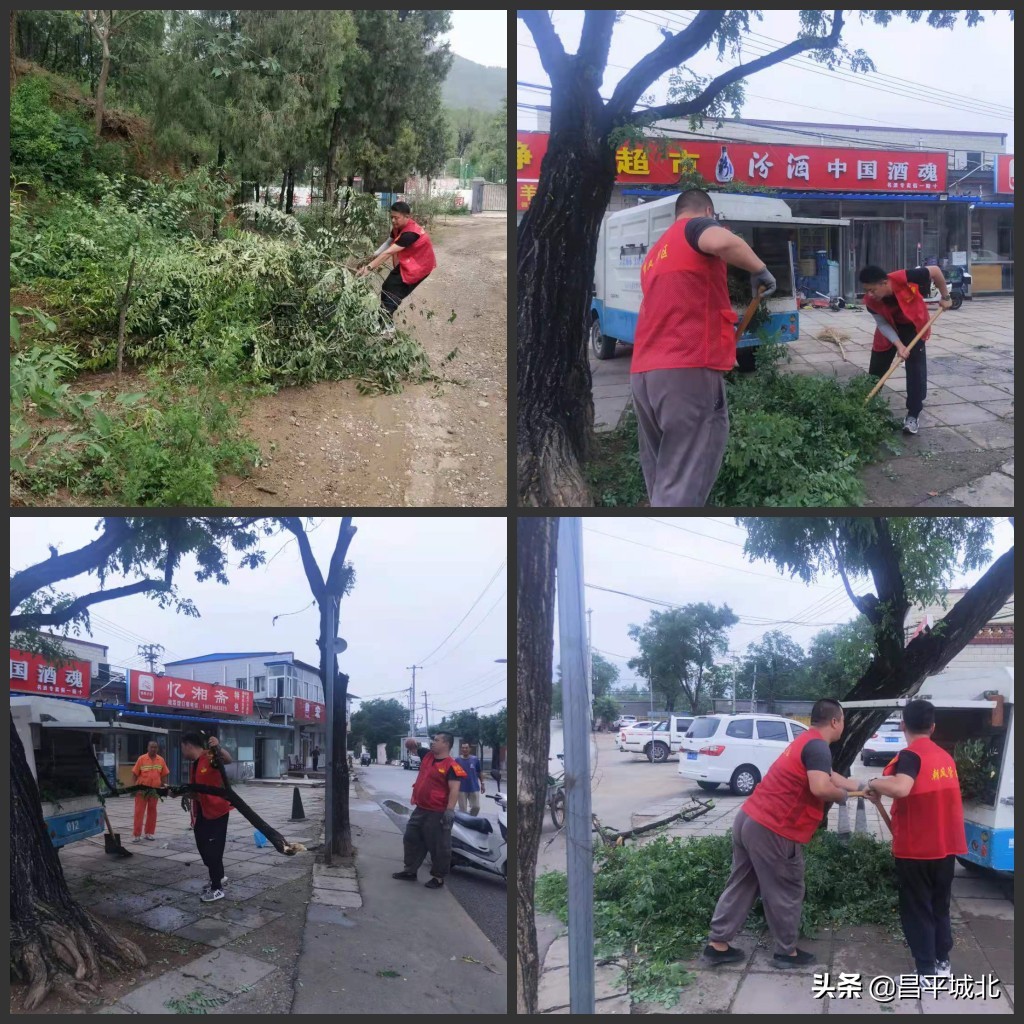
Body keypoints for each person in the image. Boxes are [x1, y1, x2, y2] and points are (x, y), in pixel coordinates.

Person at [629, 188, 777, 507]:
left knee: (664, 475)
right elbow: (724, 242)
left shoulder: (656, 252)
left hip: (645, 374)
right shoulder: (695, 228)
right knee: (684, 483)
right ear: (708, 211)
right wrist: (759, 270)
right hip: (685, 371)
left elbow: (677, 306)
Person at [704, 699, 861, 968]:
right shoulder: (819, 747)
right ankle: (786, 953)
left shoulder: (806, 741)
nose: (843, 726)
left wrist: (863, 785)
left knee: (742, 882)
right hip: (773, 829)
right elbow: (822, 788)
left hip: (749, 819)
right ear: (835, 721)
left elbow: (830, 774)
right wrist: (844, 796)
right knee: (786, 889)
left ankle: (717, 944)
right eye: (843, 720)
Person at [864, 700, 966, 980]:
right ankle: (942, 963)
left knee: (917, 909)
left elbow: (901, 787)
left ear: (903, 725)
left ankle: (925, 970)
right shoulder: (946, 758)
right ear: (933, 727)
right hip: (946, 850)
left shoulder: (910, 756)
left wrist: (872, 782)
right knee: (939, 906)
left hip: (917, 852)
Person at [859, 264, 953, 436]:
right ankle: (866, 407)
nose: (869, 295)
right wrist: (899, 345)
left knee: (915, 369)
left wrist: (945, 296)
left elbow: (936, 271)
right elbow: (882, 324)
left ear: (884, 282)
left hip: (913, 327)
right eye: (866, 291)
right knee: (876, 370)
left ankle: (913, 415)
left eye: (872, 290)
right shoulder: (870, 302)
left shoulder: (906, 277)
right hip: (889, 330)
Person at [392, 732, 466, 889]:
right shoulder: (427, 755)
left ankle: (438, 878)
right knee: (411, 838)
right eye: (433, 740)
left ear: (446, 744)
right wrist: (411, 742)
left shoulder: (452, 766)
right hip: (421, 808)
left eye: (437, 740)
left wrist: (450, 811)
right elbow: (413, 745)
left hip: (438, 811)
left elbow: (454, 789)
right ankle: (410, 871)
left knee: (439, 846)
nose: (432, 743)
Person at [356, 201, 437, 338]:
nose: (393, 220)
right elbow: (389, 242)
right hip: (411, 262)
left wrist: (369, 268)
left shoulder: (410, 234)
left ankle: (387, 326)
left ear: (407, 217)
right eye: (391, 217)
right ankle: (383, 322)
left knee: (392, 291)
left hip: (419, 266)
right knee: (387, 287)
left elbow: (388, 253)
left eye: (396, 218)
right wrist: (372, 256)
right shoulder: (398, 227)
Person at [180, 732, 233, 903]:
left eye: (182, 747)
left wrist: (218, 747)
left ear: (188, 745)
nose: (182, 751)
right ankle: (219, 876)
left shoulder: (209, 755)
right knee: (203, 845)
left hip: (217, 811)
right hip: (203, 811)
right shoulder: (194, 764)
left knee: (213, 849)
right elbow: (199, 790)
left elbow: (228, 759)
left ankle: (217, 888)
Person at [131, 739, 169, 842]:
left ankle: (149, 833)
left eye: (155, 747)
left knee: (152, 812)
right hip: (141, 791)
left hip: (154, 791)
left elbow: (164, 775)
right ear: (147, 748)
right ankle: (136, 834)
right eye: (151, 747)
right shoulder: (141, 759)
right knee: (139, 812)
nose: (153, 749)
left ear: (158, 749)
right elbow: (134, 774)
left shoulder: (161, 760)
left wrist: (164, 786)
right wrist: (135, 788)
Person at [455, 741, 485, 816]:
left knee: (476, 807)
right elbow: (454, 775)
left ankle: (471, 818)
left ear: (470, 749)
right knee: (463, 811)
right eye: (463, 748)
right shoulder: (457, 760)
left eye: (466, 748)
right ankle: (465, 823)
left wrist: (482, 784)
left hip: (473, 788)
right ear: (461, 749)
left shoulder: (475, 759)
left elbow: (479, 772)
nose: (464, 749)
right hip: (461, 789)